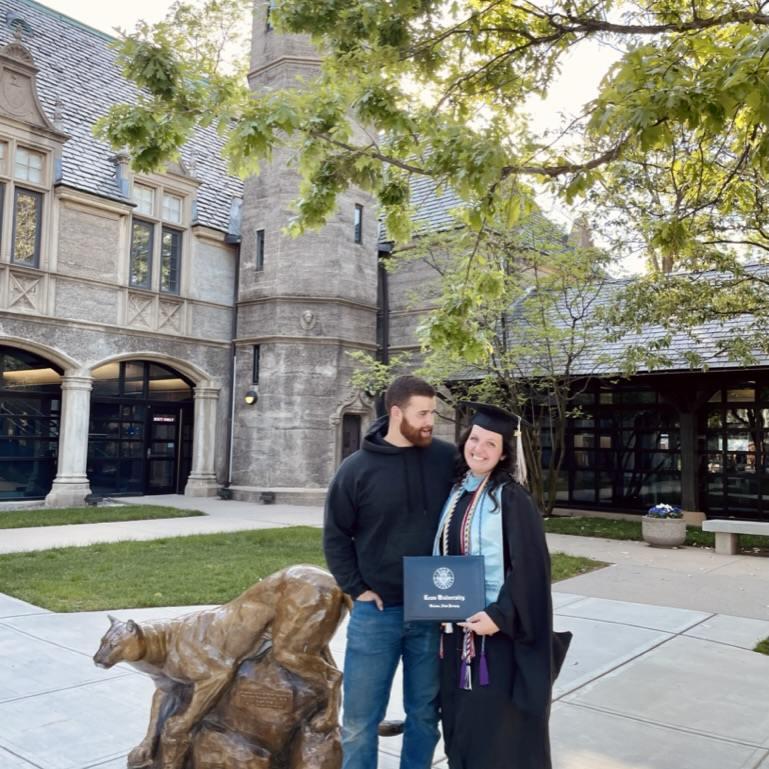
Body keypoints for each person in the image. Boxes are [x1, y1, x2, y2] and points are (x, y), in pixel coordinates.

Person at [324, 375, 457, 769]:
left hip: (433, 607)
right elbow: (335, 535)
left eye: (433, 412)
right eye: (422, 413)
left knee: (425, 716)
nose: (430, 420)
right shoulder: (356, 470)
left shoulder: (447, 459)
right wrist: (356, 588)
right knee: (359, 722)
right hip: (376, 613)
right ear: (396, 412)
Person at [432, 401, 570, 769]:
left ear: (505, 452)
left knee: (494, 731)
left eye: (490, 443)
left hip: (494, 640)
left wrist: (500, 615)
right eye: (475, 439)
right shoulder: (457, 491)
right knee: (459, 727)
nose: (479, 448)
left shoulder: (510, 498)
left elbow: (531, 569)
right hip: (453, 634)